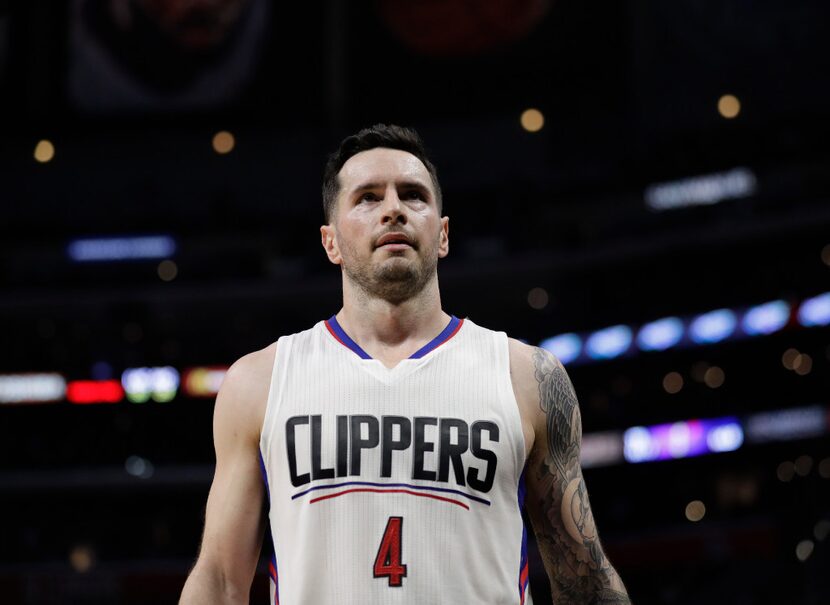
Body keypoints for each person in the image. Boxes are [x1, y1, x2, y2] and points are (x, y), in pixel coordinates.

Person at [179, 124, 630, 604]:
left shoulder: (528, 377)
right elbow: (221, 580)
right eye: (367, 198)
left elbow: (584, 580)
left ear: (442, 234)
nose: (393, 209)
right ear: (330, 242)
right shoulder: (260, 380)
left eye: (413, 195)